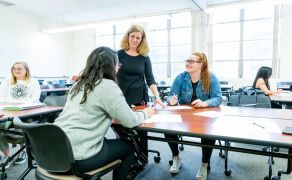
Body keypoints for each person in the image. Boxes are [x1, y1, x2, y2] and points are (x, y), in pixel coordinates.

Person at [54, 46, 154, 180]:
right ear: (111, 65)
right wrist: (146, 112)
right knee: (129, 148)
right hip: (77, 158)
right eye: (117, 64)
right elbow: (131, 121)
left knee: (106, 141)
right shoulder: (107, 86)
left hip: (53, 153)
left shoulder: (78, 85)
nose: (118, 67)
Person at [166, 52, 222, 180]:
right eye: (187, 60)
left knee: (208, 133)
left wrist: (205, 103)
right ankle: (176, 158)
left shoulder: (211, 77)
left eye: (191, 61)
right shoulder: (180, 78)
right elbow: (170, 96)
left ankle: (204, 164)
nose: (187, 63)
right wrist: (171, 100)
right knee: (168, 129)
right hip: (185, 116)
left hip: (204, 116)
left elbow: (218, 98)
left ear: (200, 64)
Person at [116, 24, 164, 169]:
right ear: (128, 36)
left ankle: (141, 159)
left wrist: (157, 96)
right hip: (121, 97)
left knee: (140, 129)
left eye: (138, 37)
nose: (135, 40)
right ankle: (126, 156)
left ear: (142, 39)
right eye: (133, 36)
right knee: (122, 128)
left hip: (139, 97)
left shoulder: (144, 58)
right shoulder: (118, 54)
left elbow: (150, 79)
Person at [0, 61, 41, 168]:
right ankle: (7, 156)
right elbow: (1, 98)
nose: (16, 70)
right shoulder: (6, 81)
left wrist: (21, 103)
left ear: (26, 70)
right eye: (14, 68)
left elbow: (35, 99)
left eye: (19, 68)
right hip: (8, 112)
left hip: (26, 113)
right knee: (1, 128)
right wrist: (13, 103)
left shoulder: (33, 82)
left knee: (19, 127)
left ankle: (23, 151)